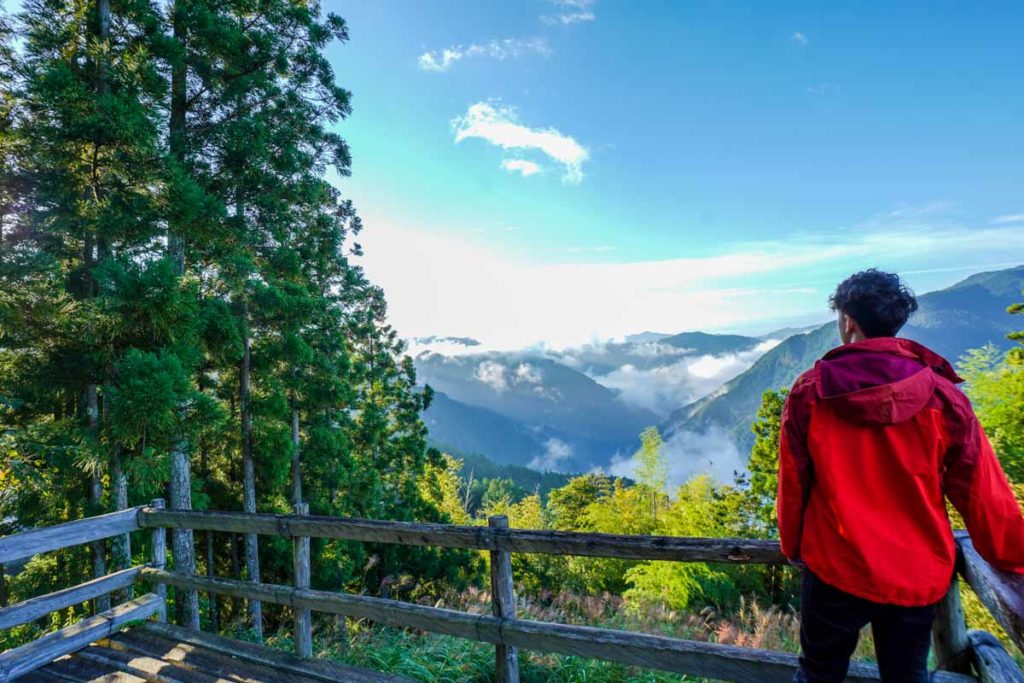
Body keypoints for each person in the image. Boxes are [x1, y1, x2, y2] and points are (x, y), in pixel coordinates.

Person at [777, 268, 1024, 683]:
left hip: (835, 567)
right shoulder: (943, 397)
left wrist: (792, 544)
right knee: (907, 676)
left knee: (819, 673)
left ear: (847, 322)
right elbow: (982, 493)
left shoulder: (810, 393)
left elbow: (794, 483)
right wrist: (1013, 554)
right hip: (916, 572)